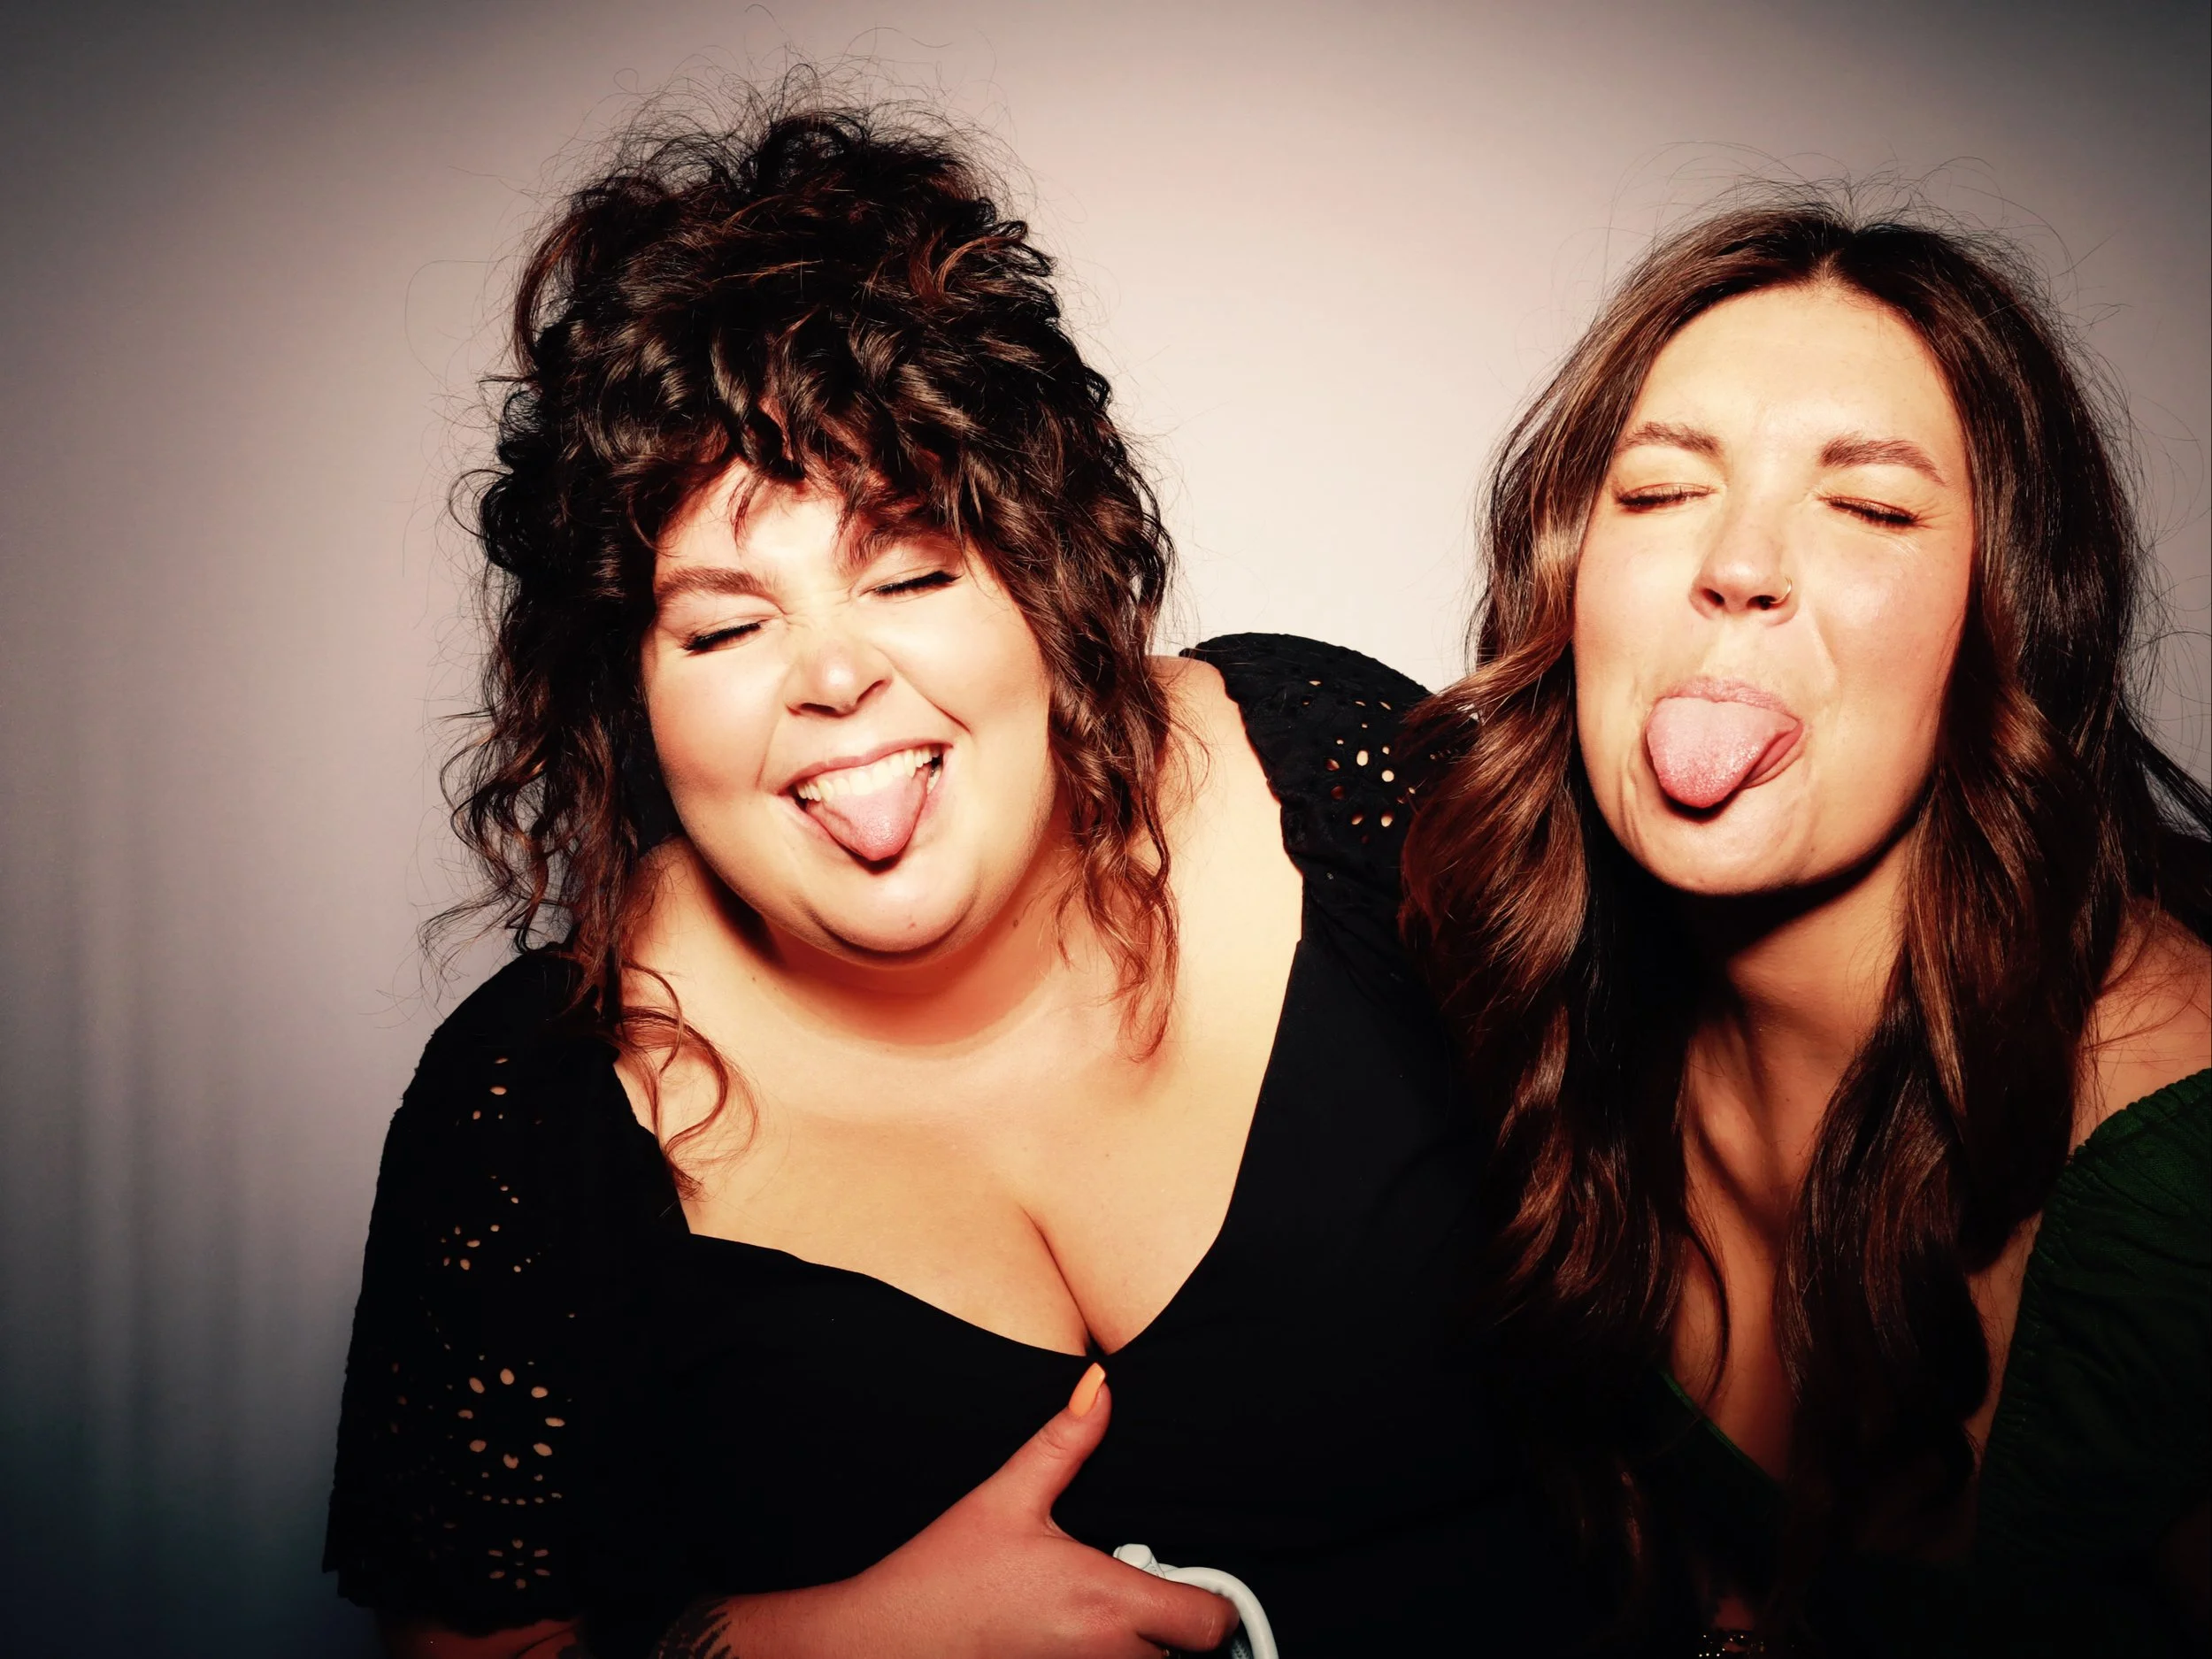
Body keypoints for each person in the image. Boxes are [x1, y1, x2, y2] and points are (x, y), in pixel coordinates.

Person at [326, 94, 1577, 1658]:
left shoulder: (1327, 774)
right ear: (626, 687)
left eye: (909, 567)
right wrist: (813, 1643)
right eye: (724, 624)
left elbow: (1713, 1212)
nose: (832, 675)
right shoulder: (531, 1109)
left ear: (1044, 575)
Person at [1400, 199, 2211, 1655]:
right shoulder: (1540, 1013)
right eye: (1656, 494)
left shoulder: (2177, 1197)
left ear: (2008, 619)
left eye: (1874, 508)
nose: (1739, 562)